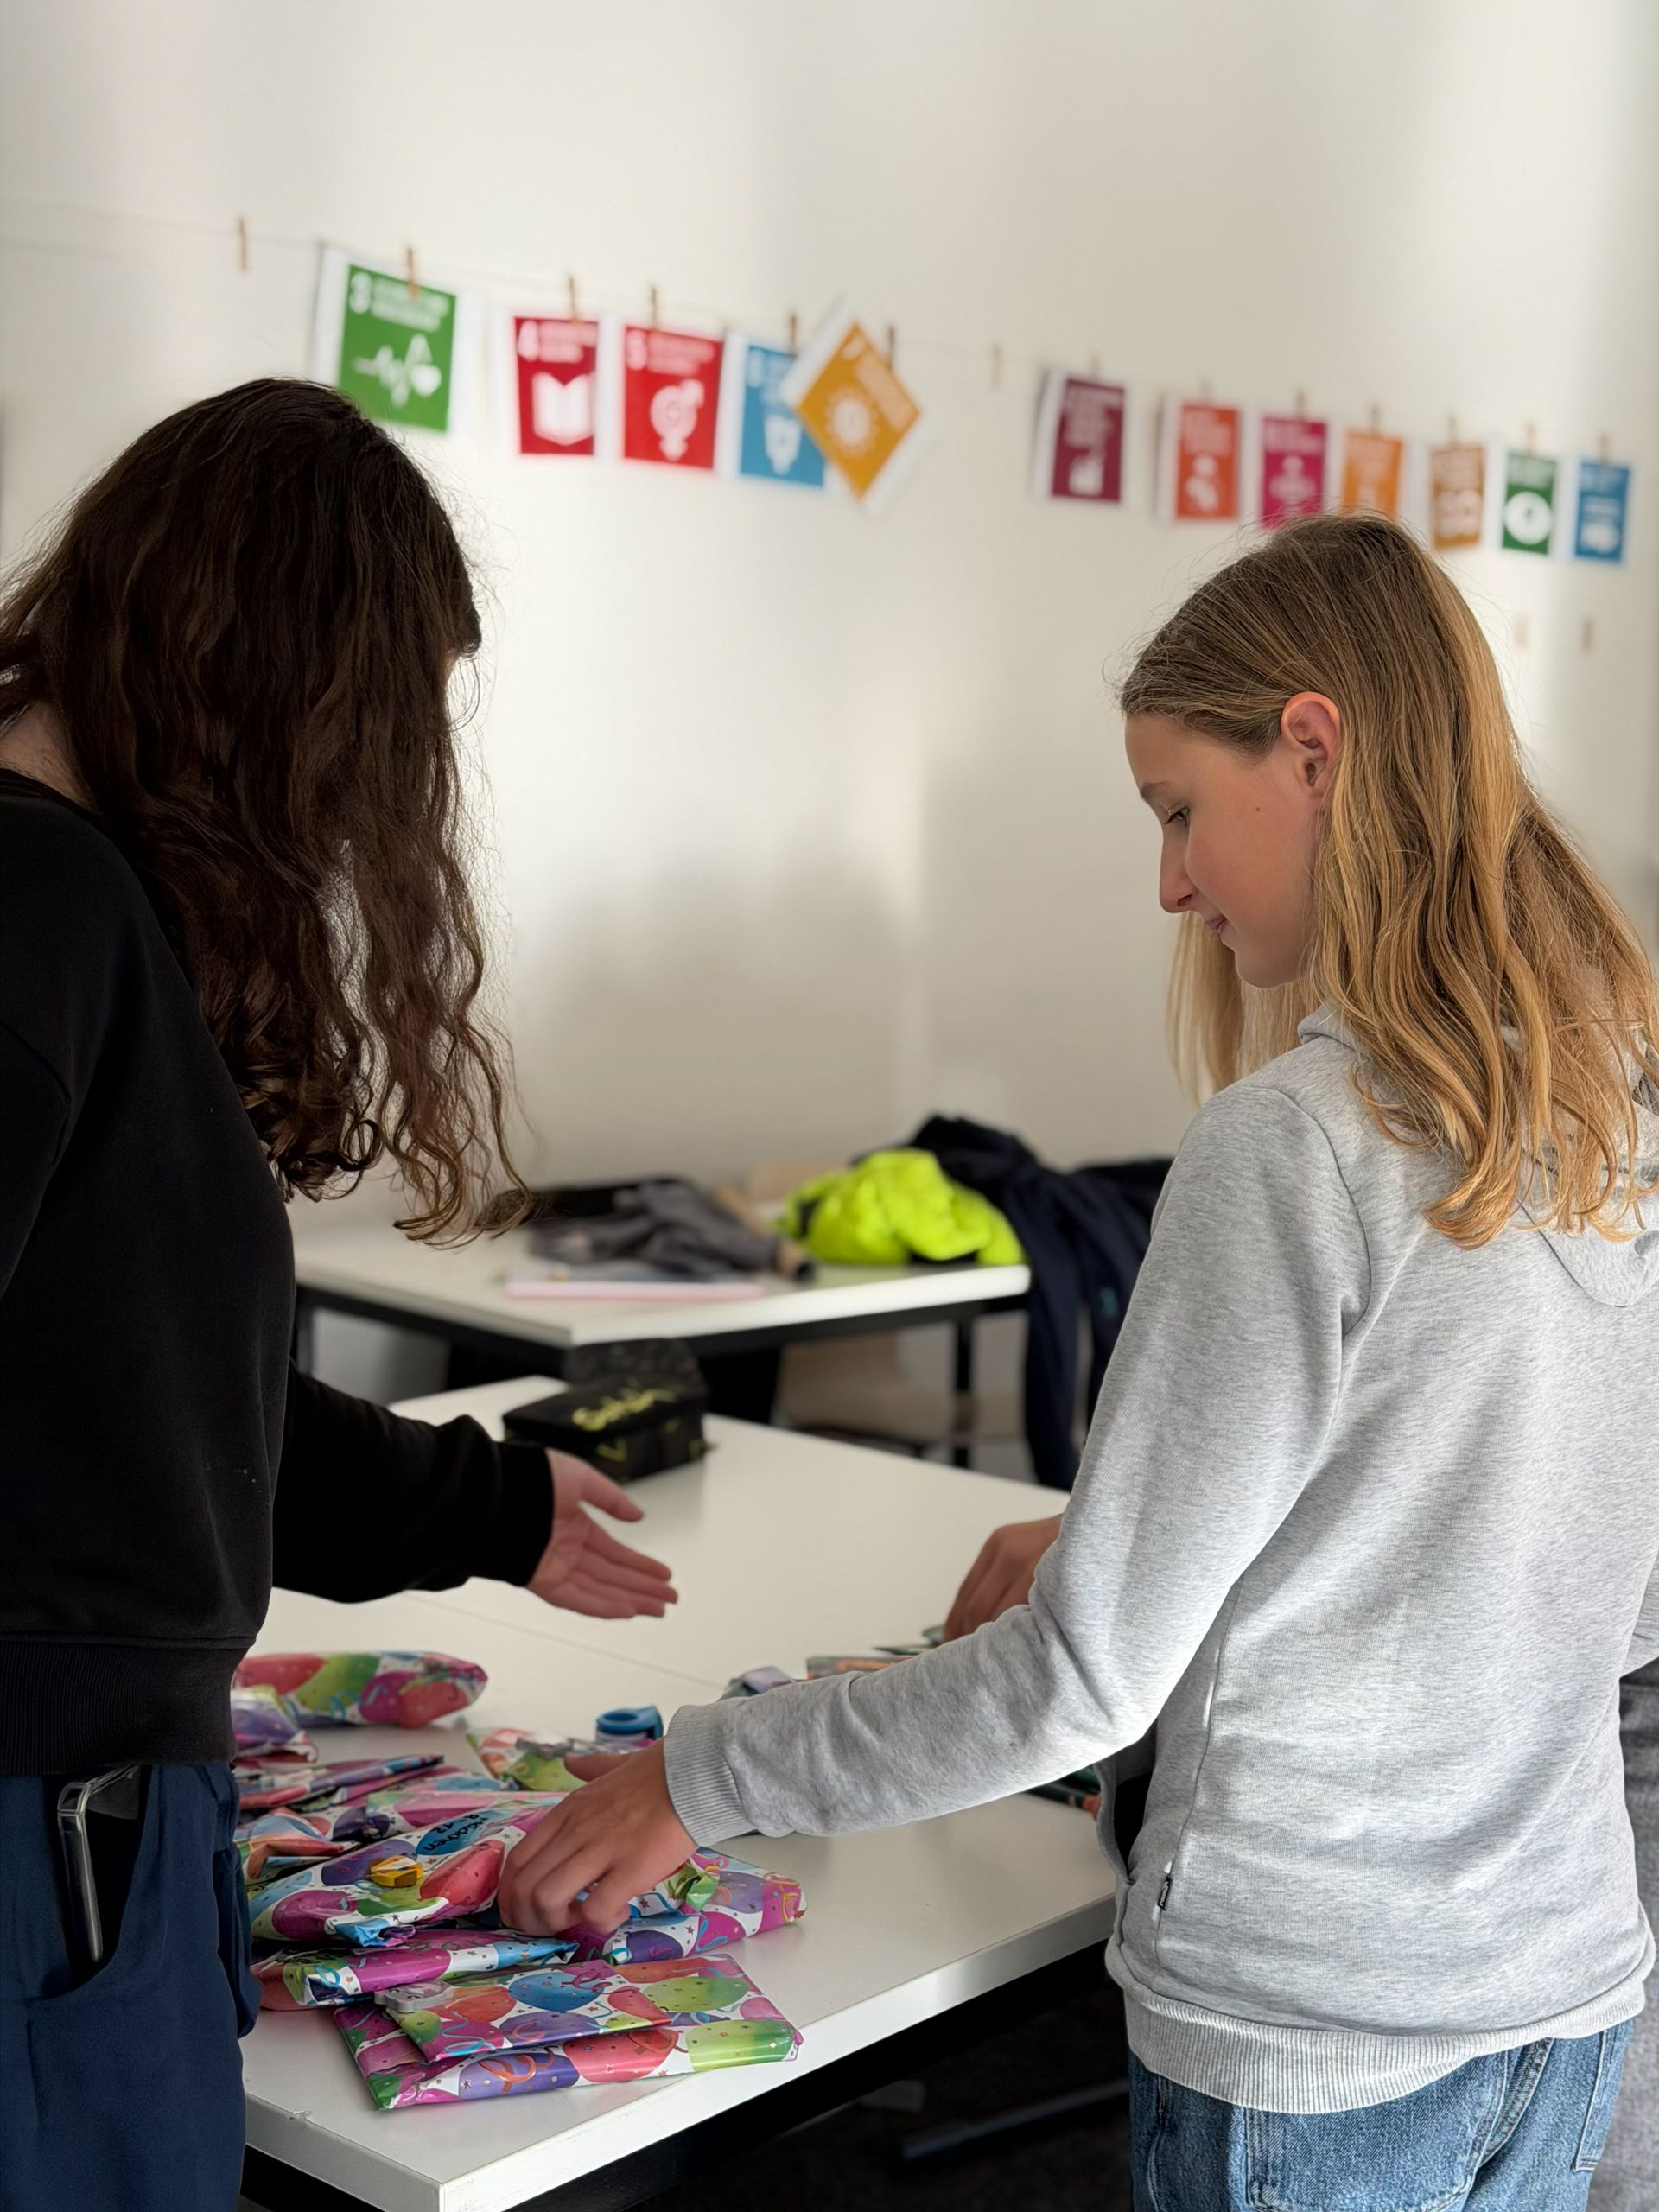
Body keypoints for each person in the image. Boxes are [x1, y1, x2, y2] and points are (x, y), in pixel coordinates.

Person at [499, 513, 1659, 2211]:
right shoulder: (1610, 1111)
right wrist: (1175, 1539)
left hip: (1318, 2046)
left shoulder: (1297, 1142)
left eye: (1178, 809)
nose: (1171, 883)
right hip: (1562, 2012)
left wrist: (703, 1773)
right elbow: (1590, 1603)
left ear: (1317, 748)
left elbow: (1079, 1686)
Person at [0, 379, 677, 2212]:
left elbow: (148, 1381)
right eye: (376, 730)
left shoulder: (80, 908)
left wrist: (491, 1499)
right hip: (46, 1845)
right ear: (276, 680)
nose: (371, 800)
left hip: (97, 1828)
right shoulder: (31, 914)